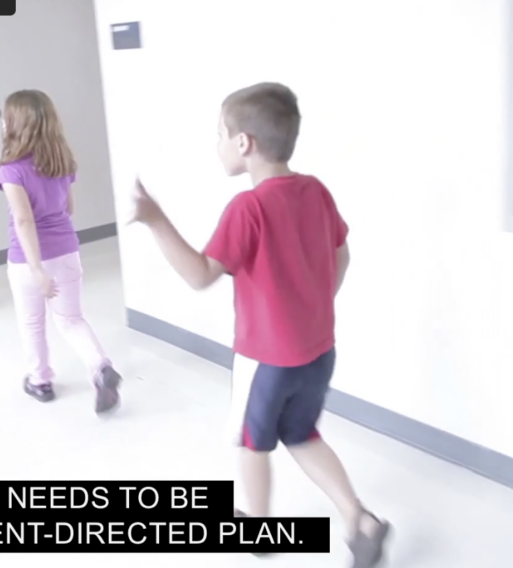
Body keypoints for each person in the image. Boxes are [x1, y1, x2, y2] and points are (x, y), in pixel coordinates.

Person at [129, 83, 391, 566]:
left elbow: (199, 275)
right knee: (301, 432)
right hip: (318, 351)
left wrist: (155, 219)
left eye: (220, 135)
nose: (218, 145)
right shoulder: (315, 191)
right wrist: (315, 304)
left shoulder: (247, 208)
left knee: (253, 444)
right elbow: (342, 254)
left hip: (265, 359)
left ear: (244, 143)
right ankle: (360, 520)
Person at [0, 89, 121, 414]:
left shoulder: (11, 170)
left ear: (15, 124)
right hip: (67, 252)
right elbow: (68, 207)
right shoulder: (62, 161)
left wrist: (37, 269)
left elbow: (24, 220)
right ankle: (100, 367)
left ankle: (40, 380)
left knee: (33, 322)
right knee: (71, 318)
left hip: (28, 261)